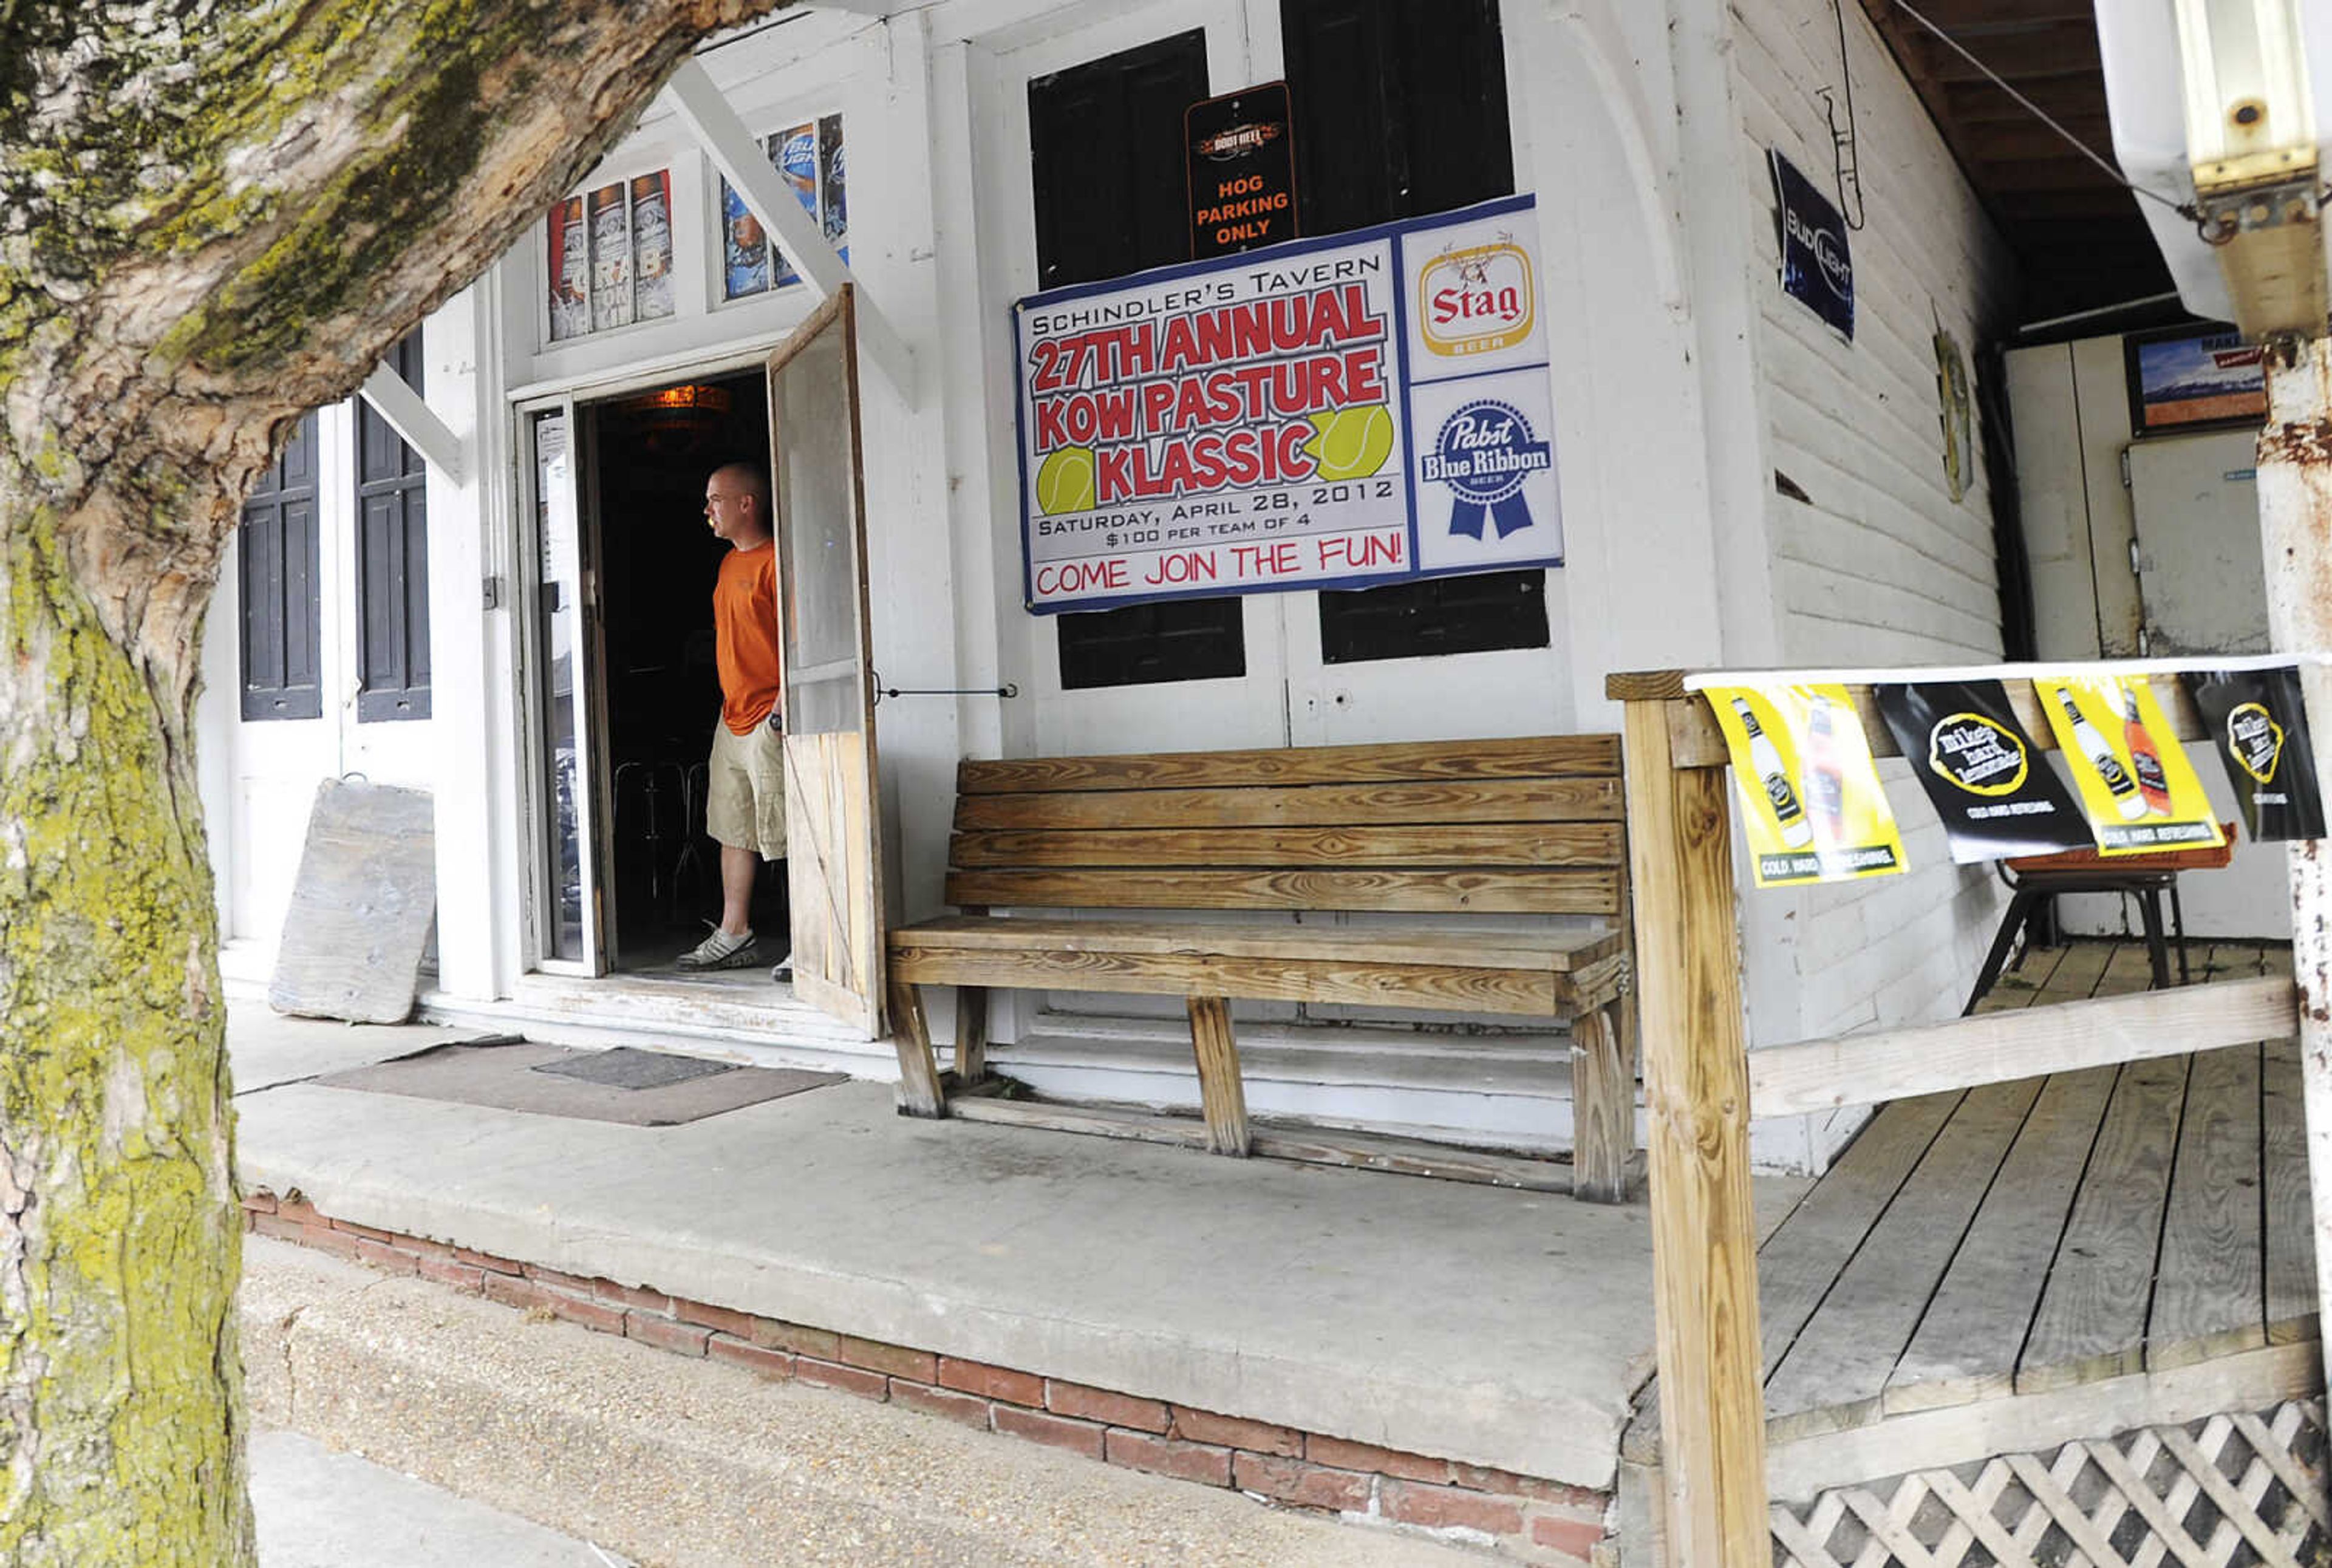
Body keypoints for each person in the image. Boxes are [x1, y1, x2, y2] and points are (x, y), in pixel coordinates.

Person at [676, 461, 791, 982]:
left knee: (789, 831)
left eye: (716, 499)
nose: (707, 510)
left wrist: (783, 707)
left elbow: (799, 636)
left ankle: (811, 942)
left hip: (771, 715)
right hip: (734, 715)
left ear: (747, 504)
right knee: (734, 828)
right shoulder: (727, 565)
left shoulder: (777, 562)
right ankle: (735, 931)